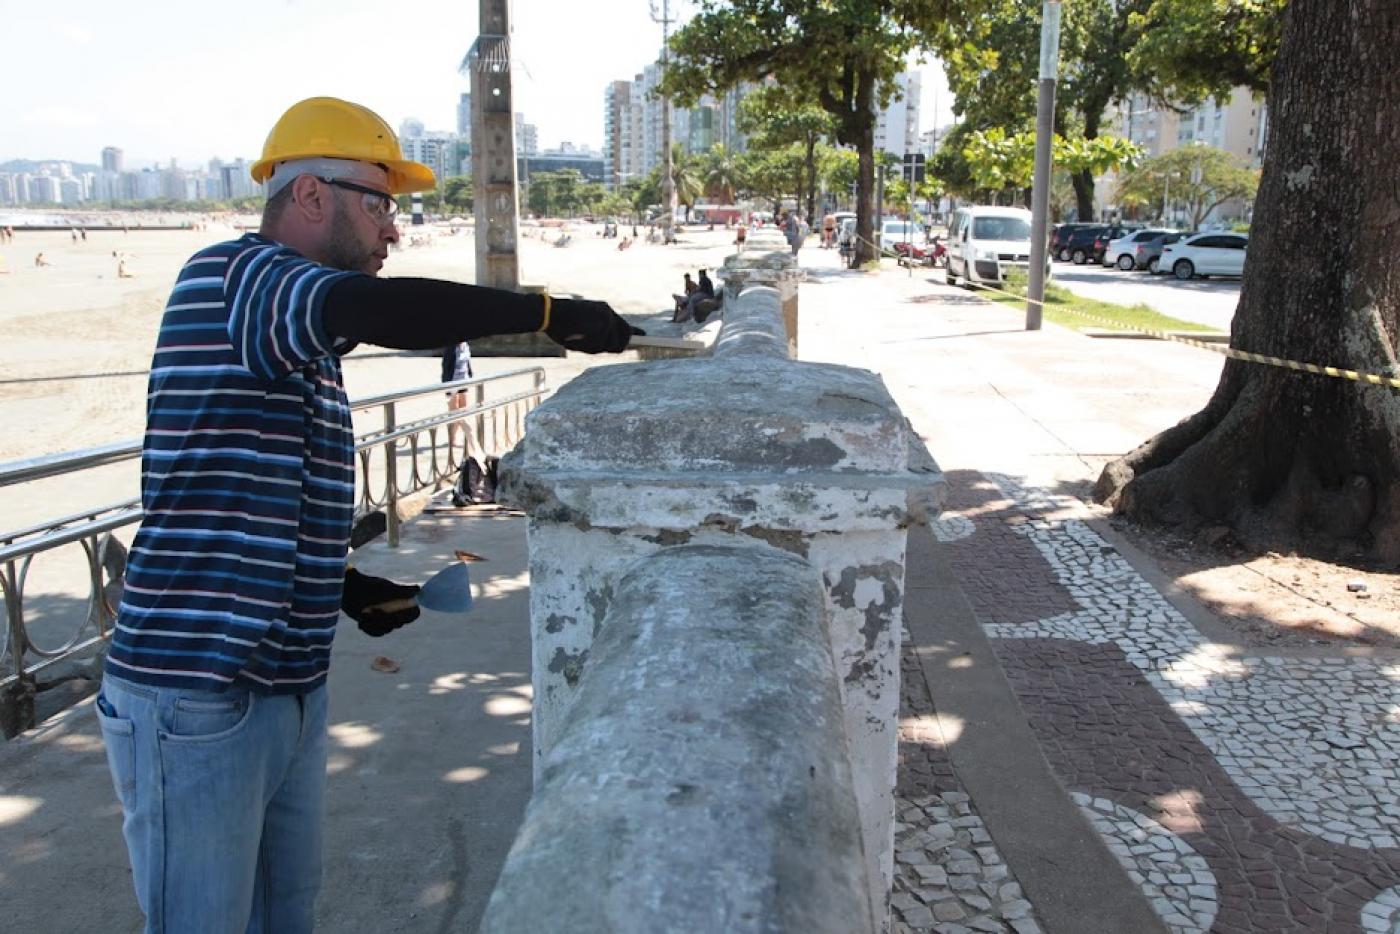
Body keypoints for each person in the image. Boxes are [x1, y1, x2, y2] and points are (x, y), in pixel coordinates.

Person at [92, 96, 636, 934]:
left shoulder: (294, 333)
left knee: (286, 919)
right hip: (195, 692)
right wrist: (545, 314)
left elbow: (242, 486)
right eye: (381, 204)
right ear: (310, 195)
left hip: (285, 687)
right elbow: (384, 311)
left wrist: (342, 584)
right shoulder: (238, 277)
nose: (393, 231)